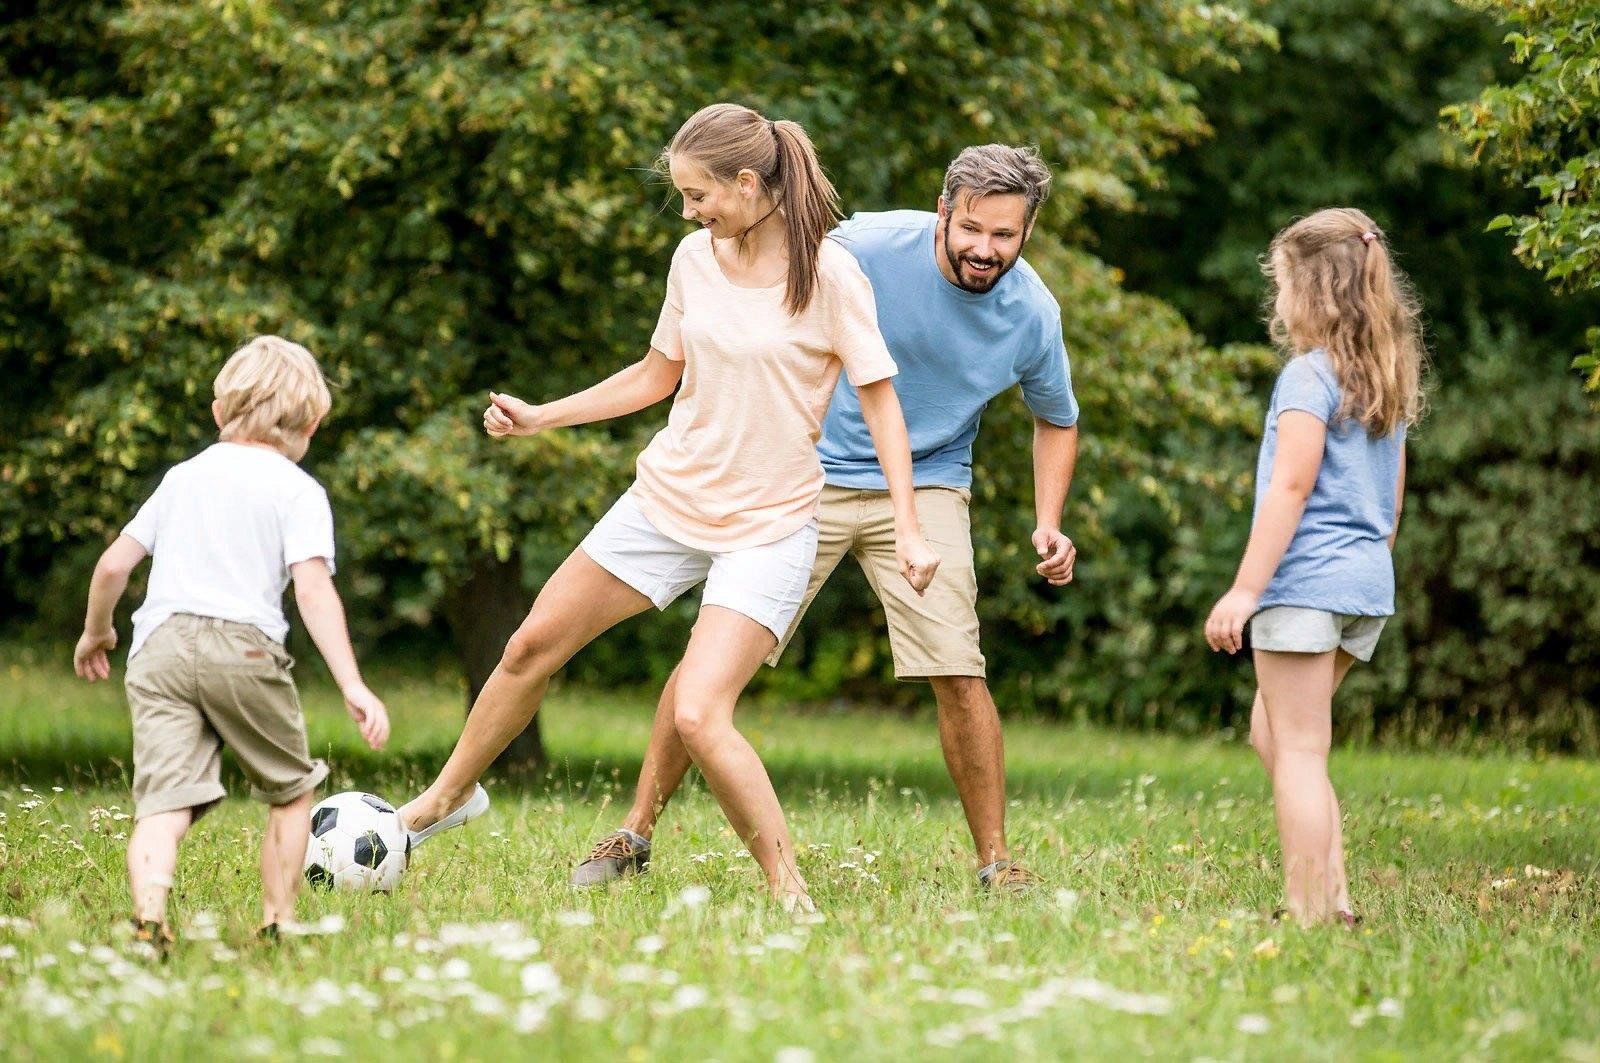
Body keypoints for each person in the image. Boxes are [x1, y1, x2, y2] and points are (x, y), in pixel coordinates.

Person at [397, 103, 939, 912]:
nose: (689, 211)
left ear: (749, 183)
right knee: (528, 646)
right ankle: (441, 801)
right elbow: (657, 375)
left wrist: (909, 523)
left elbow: (883, 405)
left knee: (698, 711)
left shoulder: (831, 276)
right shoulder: (694, 259)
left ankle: (791, 894)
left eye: (699, 194)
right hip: (668, 500)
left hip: (768, 524)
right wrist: (542, 414)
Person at [570, 144, 1081, 893]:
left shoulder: (1032, 312)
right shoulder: (865, 247)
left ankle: (996, 861)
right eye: (971, 228)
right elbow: (762, 280)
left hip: (929, 481)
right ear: (943, 211)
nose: (984, 249)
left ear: (1028, 231)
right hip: (803, 470)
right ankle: (634, 830)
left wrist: (1049, 518)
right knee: (708, 662)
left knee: (958, 667)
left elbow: (1056, 418)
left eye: (1005, 236)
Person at [72, 335, 391, 952]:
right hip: (243, 650)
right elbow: (314, 591)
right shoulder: (297, 491)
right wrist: (351, 682)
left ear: (219, 412)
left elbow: (113, 566)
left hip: (159, 649)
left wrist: (96, 631)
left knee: (162, 802)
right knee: (292, 791)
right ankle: (277, 920)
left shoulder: (181, 478)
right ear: (313, 423)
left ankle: (149, 916)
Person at [1204, 207, 1424, 924]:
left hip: (1306, 584)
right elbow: (1389, 501)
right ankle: (1333, 899)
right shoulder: (1383, 375)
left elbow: (1290, 487)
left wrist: (1244, 589)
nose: (1279, 298)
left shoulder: (1309, 376)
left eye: (1283, 282)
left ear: (1310, 289)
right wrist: (1364, 567)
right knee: (1276, 733)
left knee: (1296, 746)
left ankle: (1311, 911)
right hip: (1363, 583)